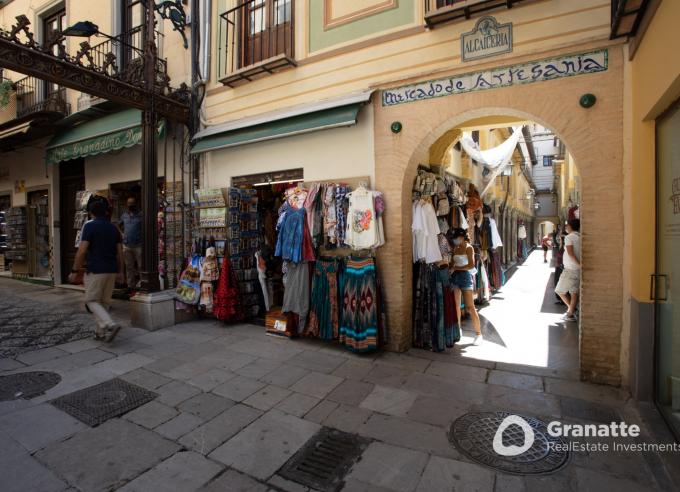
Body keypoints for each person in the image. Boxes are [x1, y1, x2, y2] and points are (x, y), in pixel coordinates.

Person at [69, 196, 124, 342]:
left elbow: (81, 251)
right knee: (104, 302)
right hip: (111, 269)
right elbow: (120, 253)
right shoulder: (114, 228)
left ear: (91, 213)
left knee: (91, 301)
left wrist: (75, 271)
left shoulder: (89, 225)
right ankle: (100, 333)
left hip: (96, 269)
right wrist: (120, 272)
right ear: (106, 212)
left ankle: (109, 324)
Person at [449, 228, 483, 345]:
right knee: (456, 306)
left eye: (456, 238)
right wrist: (450, 268)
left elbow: (471, 265)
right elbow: (452, 264)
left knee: (470, 307)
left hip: (465, 277)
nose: (455, 240)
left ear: (462, 237)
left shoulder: (469, 247)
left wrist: (455, 268)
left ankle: (478, 334)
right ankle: (458, 330)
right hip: (455, 277)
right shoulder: (455, 248)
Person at [555, 218, 581, 322]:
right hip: (576, 270)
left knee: (559, 290)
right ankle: (571, 312)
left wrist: (579, 265)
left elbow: (570, 253)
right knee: (574, 292)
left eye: (567, 225)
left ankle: (571, 311)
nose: (566, 227)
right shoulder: (579, 236)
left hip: (570, 269)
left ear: (570, 226)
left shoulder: (569, 237)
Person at [119, 197, 143, 291]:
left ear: (136, 204)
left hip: (138, 244)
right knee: (129, 266)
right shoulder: (124, 215)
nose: (130, 205)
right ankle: (130, 285)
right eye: (129, 203)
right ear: (127, 204)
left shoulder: (141, 215)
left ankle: (142, 283)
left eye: (132, 203)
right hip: (127, 245)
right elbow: (118, 224)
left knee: (141, 266)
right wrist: (122, 233)